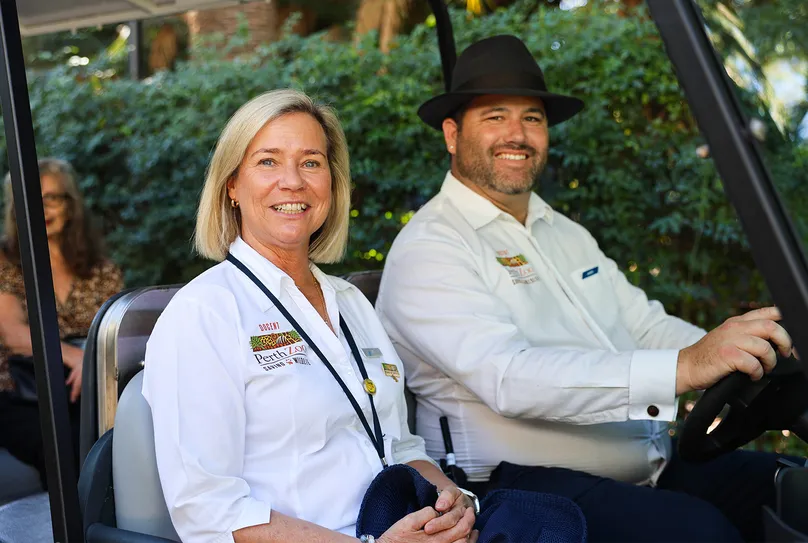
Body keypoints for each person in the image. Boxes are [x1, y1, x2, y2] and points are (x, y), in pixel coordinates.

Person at [375, 35, 799, 543]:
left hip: (651, 466)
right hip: (514, 490)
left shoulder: (563, 232)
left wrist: (735, 349)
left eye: (532, 118)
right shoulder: (431, 246)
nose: (518, 134)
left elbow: (643, 324)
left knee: (791, 488)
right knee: (702, 533)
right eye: (495, 117)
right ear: (451, 134)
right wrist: (684, 367)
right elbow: (510, 377)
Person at [142, 89, 478, 543]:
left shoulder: (352, 302)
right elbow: (208, 509)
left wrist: (452, 504)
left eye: (311, 162)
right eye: (267, 161)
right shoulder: (203, 314)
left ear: (332, 184)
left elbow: (399, 447)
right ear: (232, 187)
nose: (293, 181)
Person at [0, 157, 124, 486]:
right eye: (31, 200)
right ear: (16, 207)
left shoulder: (100, 268)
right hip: (21, 394)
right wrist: (77, 357)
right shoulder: (6, 261)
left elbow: (118, 331)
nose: (44, 209)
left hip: (90, 392)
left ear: (70, 205)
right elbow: (13, 334)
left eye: (52, 198)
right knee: (65, 442)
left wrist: (93, 365)